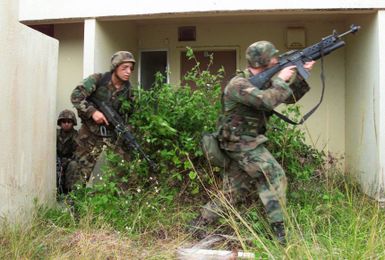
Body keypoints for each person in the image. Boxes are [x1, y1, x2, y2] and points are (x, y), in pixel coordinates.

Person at [191, 41, 316, 244]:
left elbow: (287, 98)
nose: (278, 59)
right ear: (263, 61)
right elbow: (267, 100)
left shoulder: (264, 82)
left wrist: (300, 75)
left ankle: (198, 224)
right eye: (274, 56)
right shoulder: (238, 84)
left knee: (235, 191)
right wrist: (282, 79)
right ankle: (280, 236)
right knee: (274, 175)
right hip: (239, 143)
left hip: (246, 143)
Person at [64, 51, 136, 192]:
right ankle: (74, 204)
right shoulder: (98, 79)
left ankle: (119, 203)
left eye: (131, 69)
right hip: (90, 134)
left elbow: (131, 115)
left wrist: (127, 130)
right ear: (115, 68)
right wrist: (93, 112)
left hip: (112, 134)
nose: (128, 72)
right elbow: (76, 96)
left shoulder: (128, 90)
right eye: (124, 68)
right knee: (81, 169)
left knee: (121, 167)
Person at [56, 109, 78, 194]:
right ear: (60, 123)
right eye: (64, 122)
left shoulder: (76, 135)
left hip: (70, 161)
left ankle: (70, 192)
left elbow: (78, 152)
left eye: (69, 122)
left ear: (73, 123)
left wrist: (68, 160)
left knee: (74, 165)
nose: (66, 124)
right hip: (57, 160)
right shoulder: (55, 134)